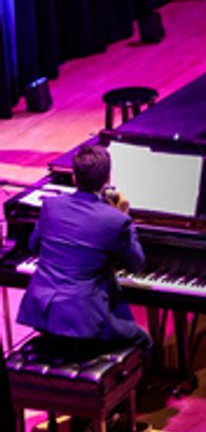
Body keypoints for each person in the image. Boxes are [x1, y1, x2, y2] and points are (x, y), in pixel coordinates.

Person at [17, 144, 152, 353]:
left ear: (74, 177)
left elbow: (33, 246)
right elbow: (137, 265)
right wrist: (125, 216)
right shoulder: (116, 220)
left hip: (43, 312)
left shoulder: (50, 206)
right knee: (144, 340)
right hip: (83, 321)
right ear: (108, 180)